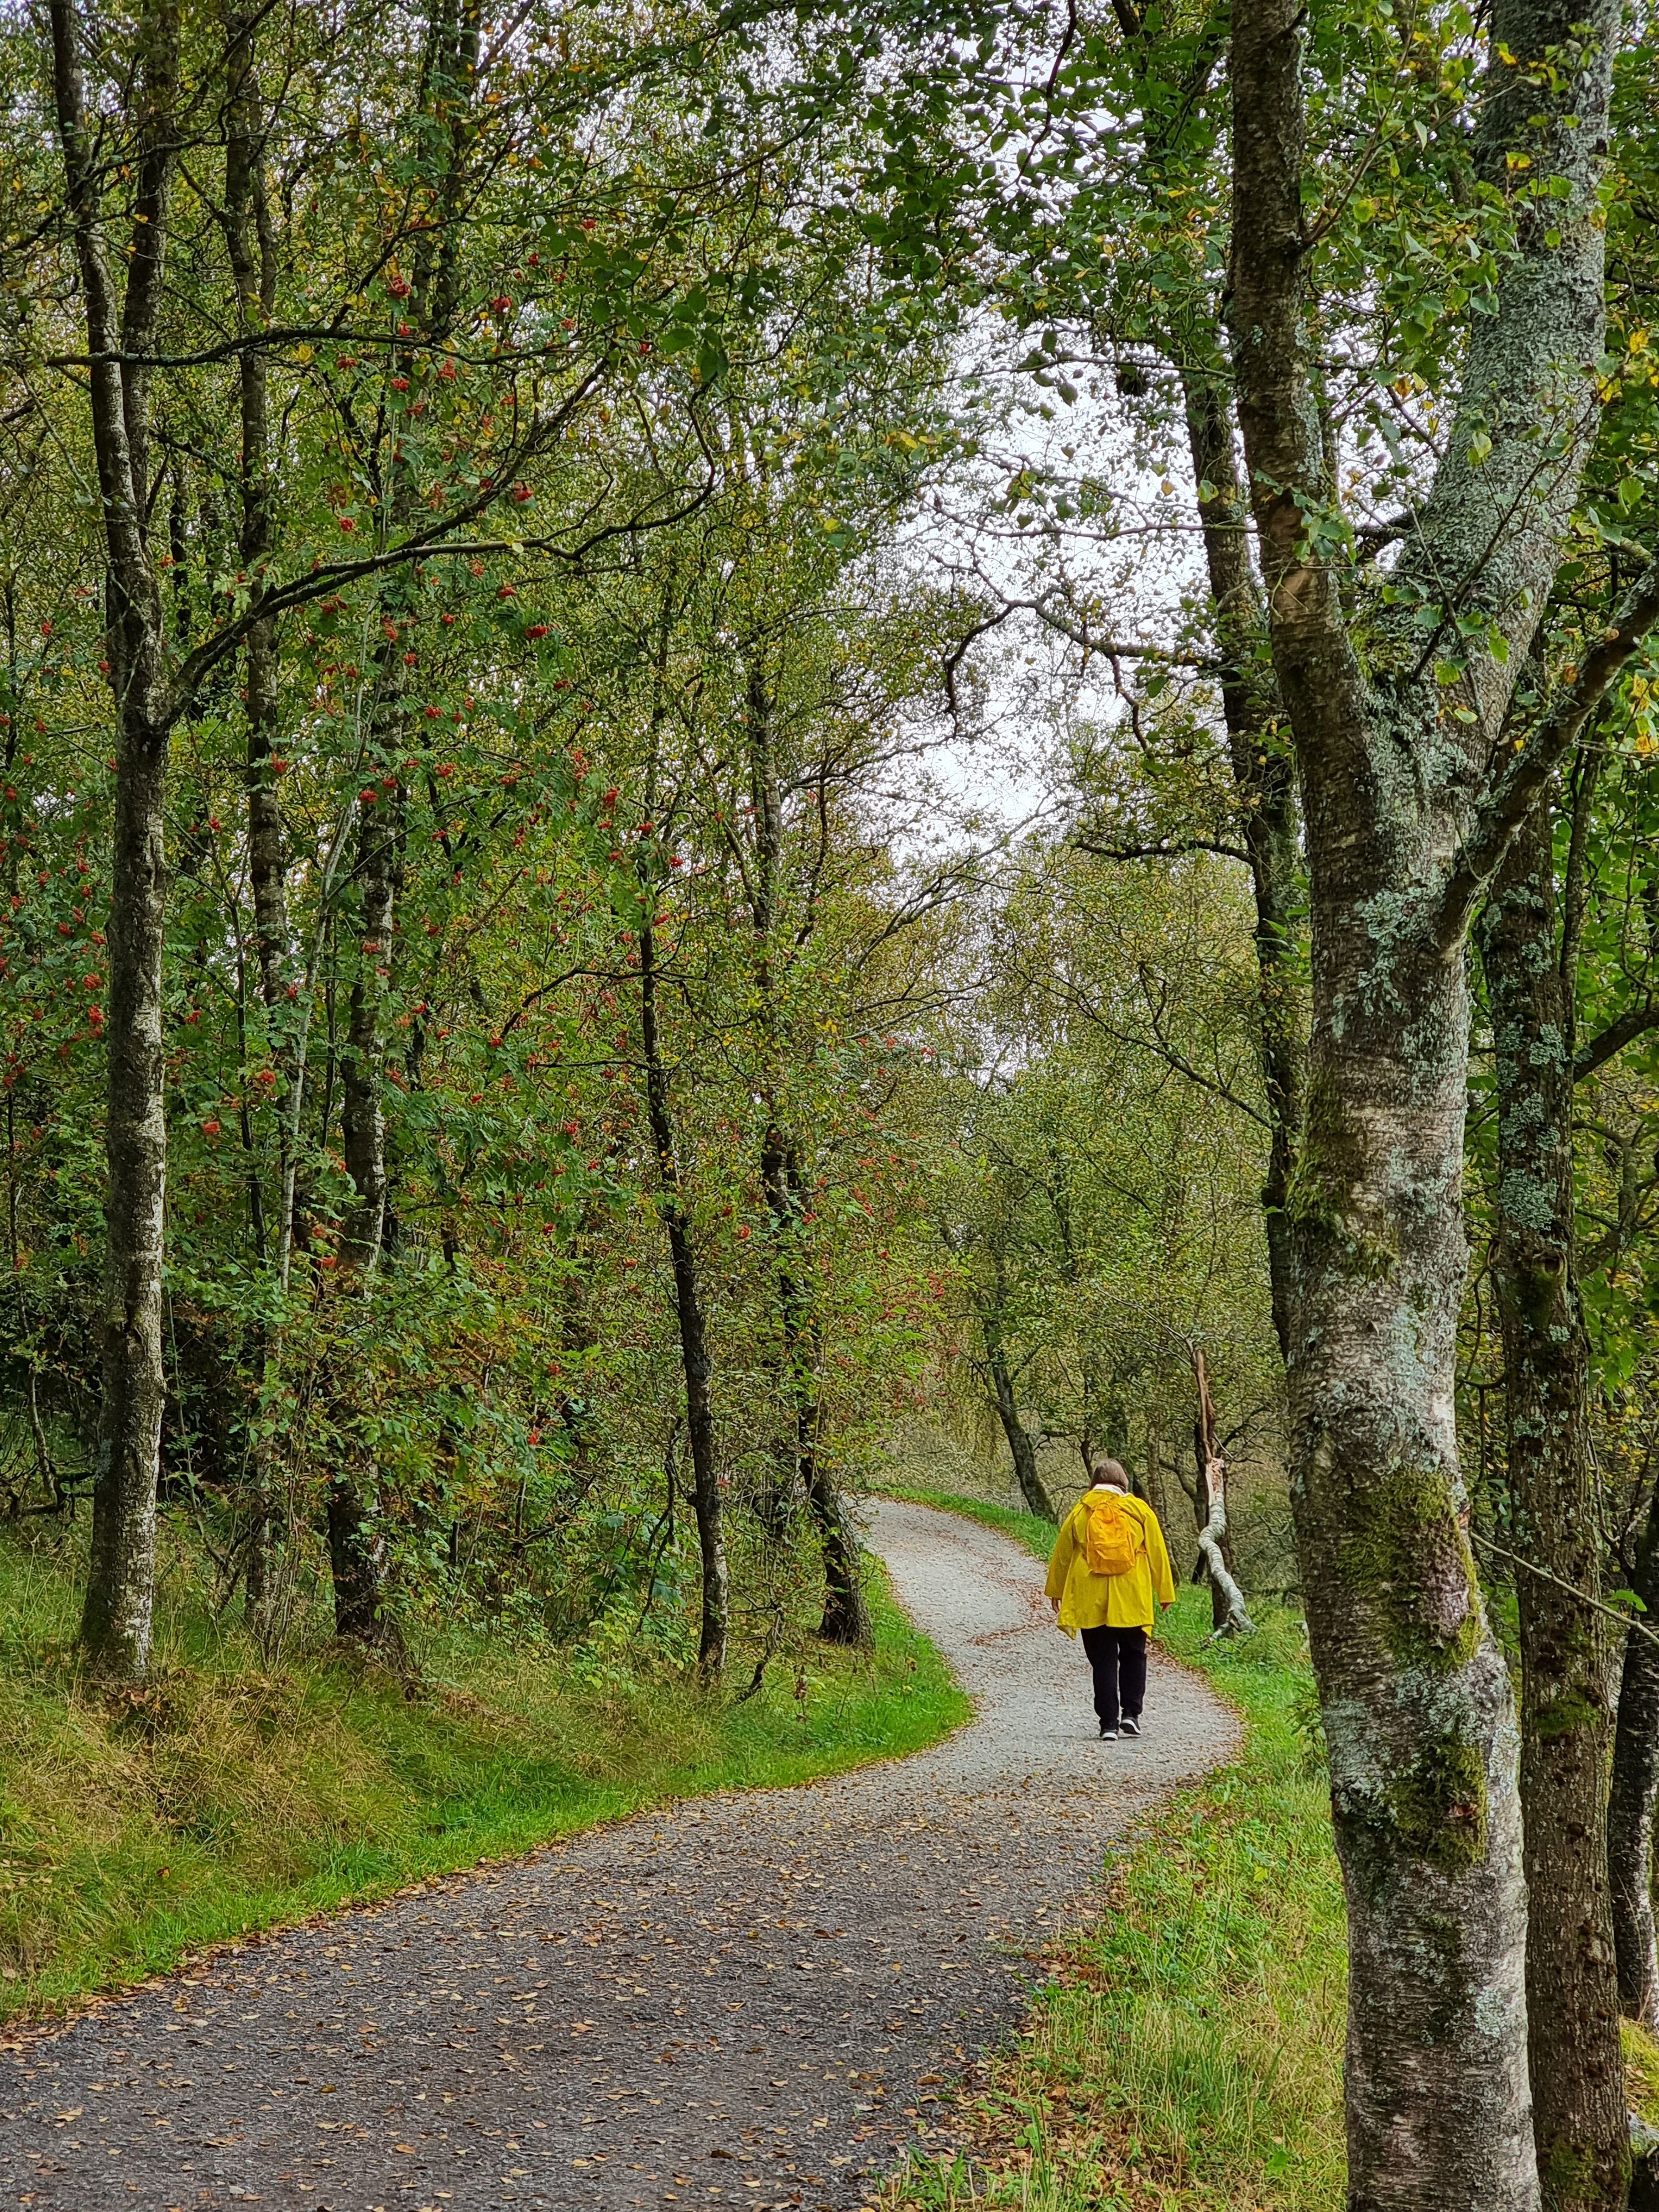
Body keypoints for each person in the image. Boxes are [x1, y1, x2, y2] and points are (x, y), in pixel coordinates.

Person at [1045, 1455, 1176, 1740]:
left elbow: (1063, 1553)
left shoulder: (1081, 1511)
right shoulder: (1139, 1510)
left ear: (1095, 1483)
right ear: (1123, 1483)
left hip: (1091, 1598)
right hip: (1132, 1596)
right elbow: (1157, 1551)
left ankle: (1108, 1725)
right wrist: (1165, 1592)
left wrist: (1055, 1590)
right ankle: (1132, 1714)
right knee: (1134, 1655)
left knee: (1103, 1661)